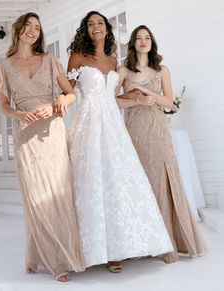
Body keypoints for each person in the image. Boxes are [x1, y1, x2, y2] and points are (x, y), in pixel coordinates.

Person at [65, 11, 174, 273]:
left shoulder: (114, 62)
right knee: (90, 182)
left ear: (107, 28)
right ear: (85, 30)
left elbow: (111, 100)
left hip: (113, 125)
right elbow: (67, 92)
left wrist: (134, 98)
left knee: (116, 181)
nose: (95, 28)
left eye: (100, 23)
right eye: (90, 24)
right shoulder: (78, 57)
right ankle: (86, 249)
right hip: (88, 124)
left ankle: (116, 251)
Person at [0, 12, 85, 281]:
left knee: (57, 195)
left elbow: (70, 93)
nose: (33, 30)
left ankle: (60, 258)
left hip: (53, 131)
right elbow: (4, 107)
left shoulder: (50, 60)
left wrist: (54, 105)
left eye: (37, 27)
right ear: (19, 29)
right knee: (35, 196)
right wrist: (20, 115)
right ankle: (41, 255)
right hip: (25, 135)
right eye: (29, 26)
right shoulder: (3, 65)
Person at [116, 25, 208, 263]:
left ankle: (168, 243)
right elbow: (112, 101)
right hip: (135, 132)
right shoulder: (124, 70)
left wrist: (150, 98)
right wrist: (136, 99)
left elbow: (171, 104)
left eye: (147, 38)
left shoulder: (162, 70)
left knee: (162, 184)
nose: (143, 41)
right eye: (139, 38)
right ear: (133, 44)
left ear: (152, 42)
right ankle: (142, 242)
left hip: (157, 131)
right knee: (140, 184)